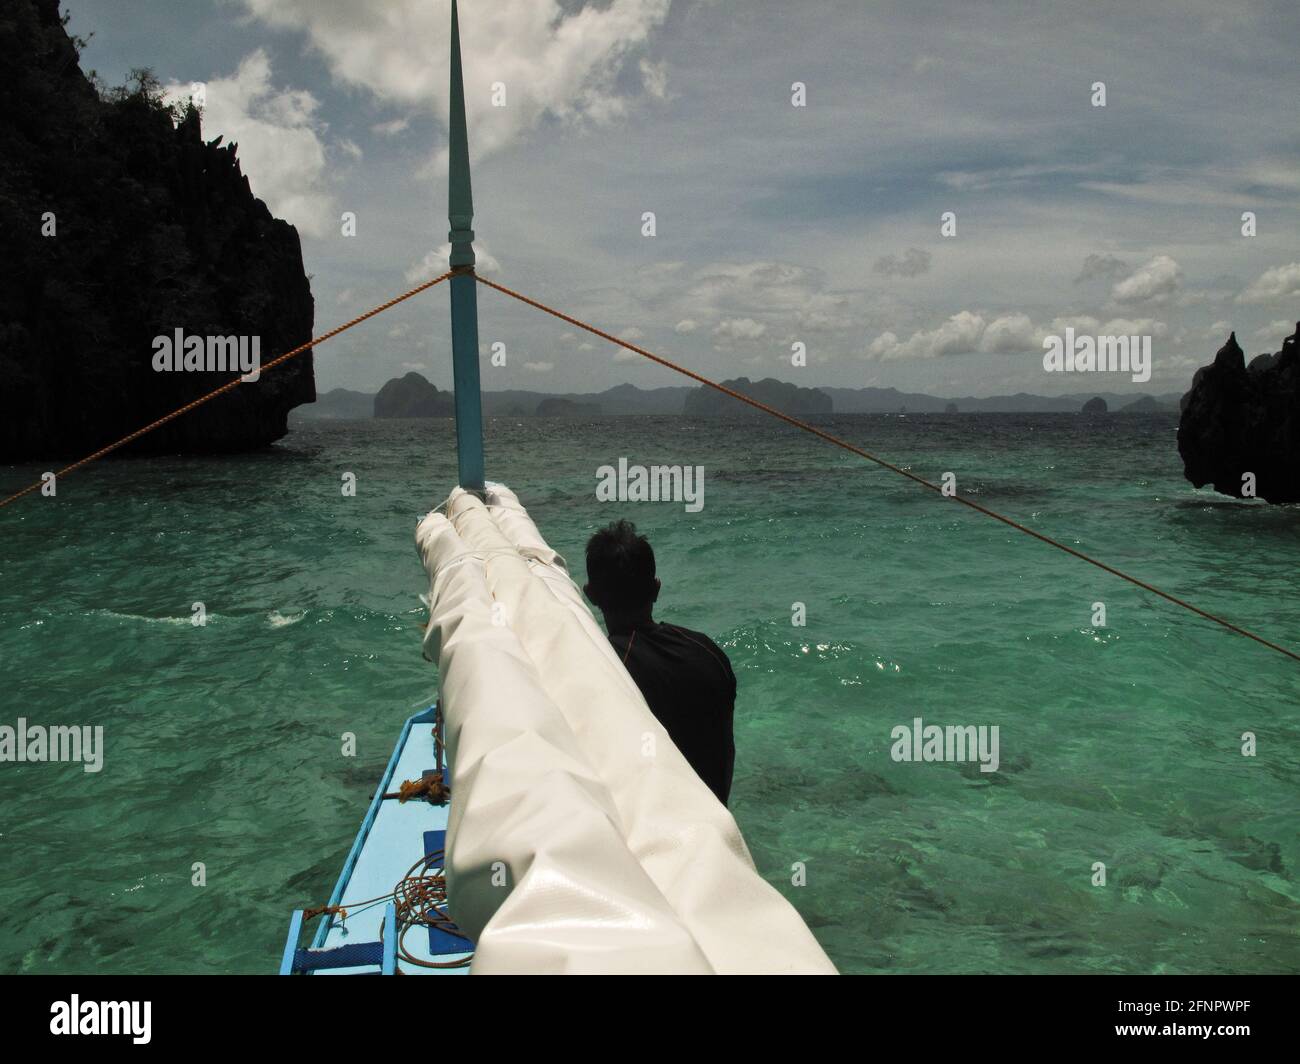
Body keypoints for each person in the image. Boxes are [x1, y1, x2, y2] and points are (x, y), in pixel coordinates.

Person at [583, 519, 737, 805]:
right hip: (717, 827)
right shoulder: (708, 651)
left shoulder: (605, 669)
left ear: (590, 595)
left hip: (650, 833)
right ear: (656, 589)